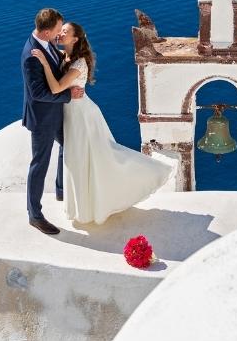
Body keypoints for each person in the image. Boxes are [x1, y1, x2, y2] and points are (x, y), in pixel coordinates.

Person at [31, 21, 173, 224]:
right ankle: (79, 203)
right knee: (77, 158)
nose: (60, 34)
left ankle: (148, 173)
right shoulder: (64, 56)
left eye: (65, 32)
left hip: (81, 116)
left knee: (91, 158)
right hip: (71, 113)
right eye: (60, 31)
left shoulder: (79, 63)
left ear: (75, 38)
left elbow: (55, 89)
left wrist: (44, 64)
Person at [21, 8, 84, 235]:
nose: (60, 33)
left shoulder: (45, 44)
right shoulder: (31, 55)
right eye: (58, 29)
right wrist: (68, 95)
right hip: (42, 118)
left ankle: (60, 189)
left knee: (67, 145)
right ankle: (35, 215)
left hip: (56, 112)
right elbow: (37, 92)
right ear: (46, 31)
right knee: (39, 164)